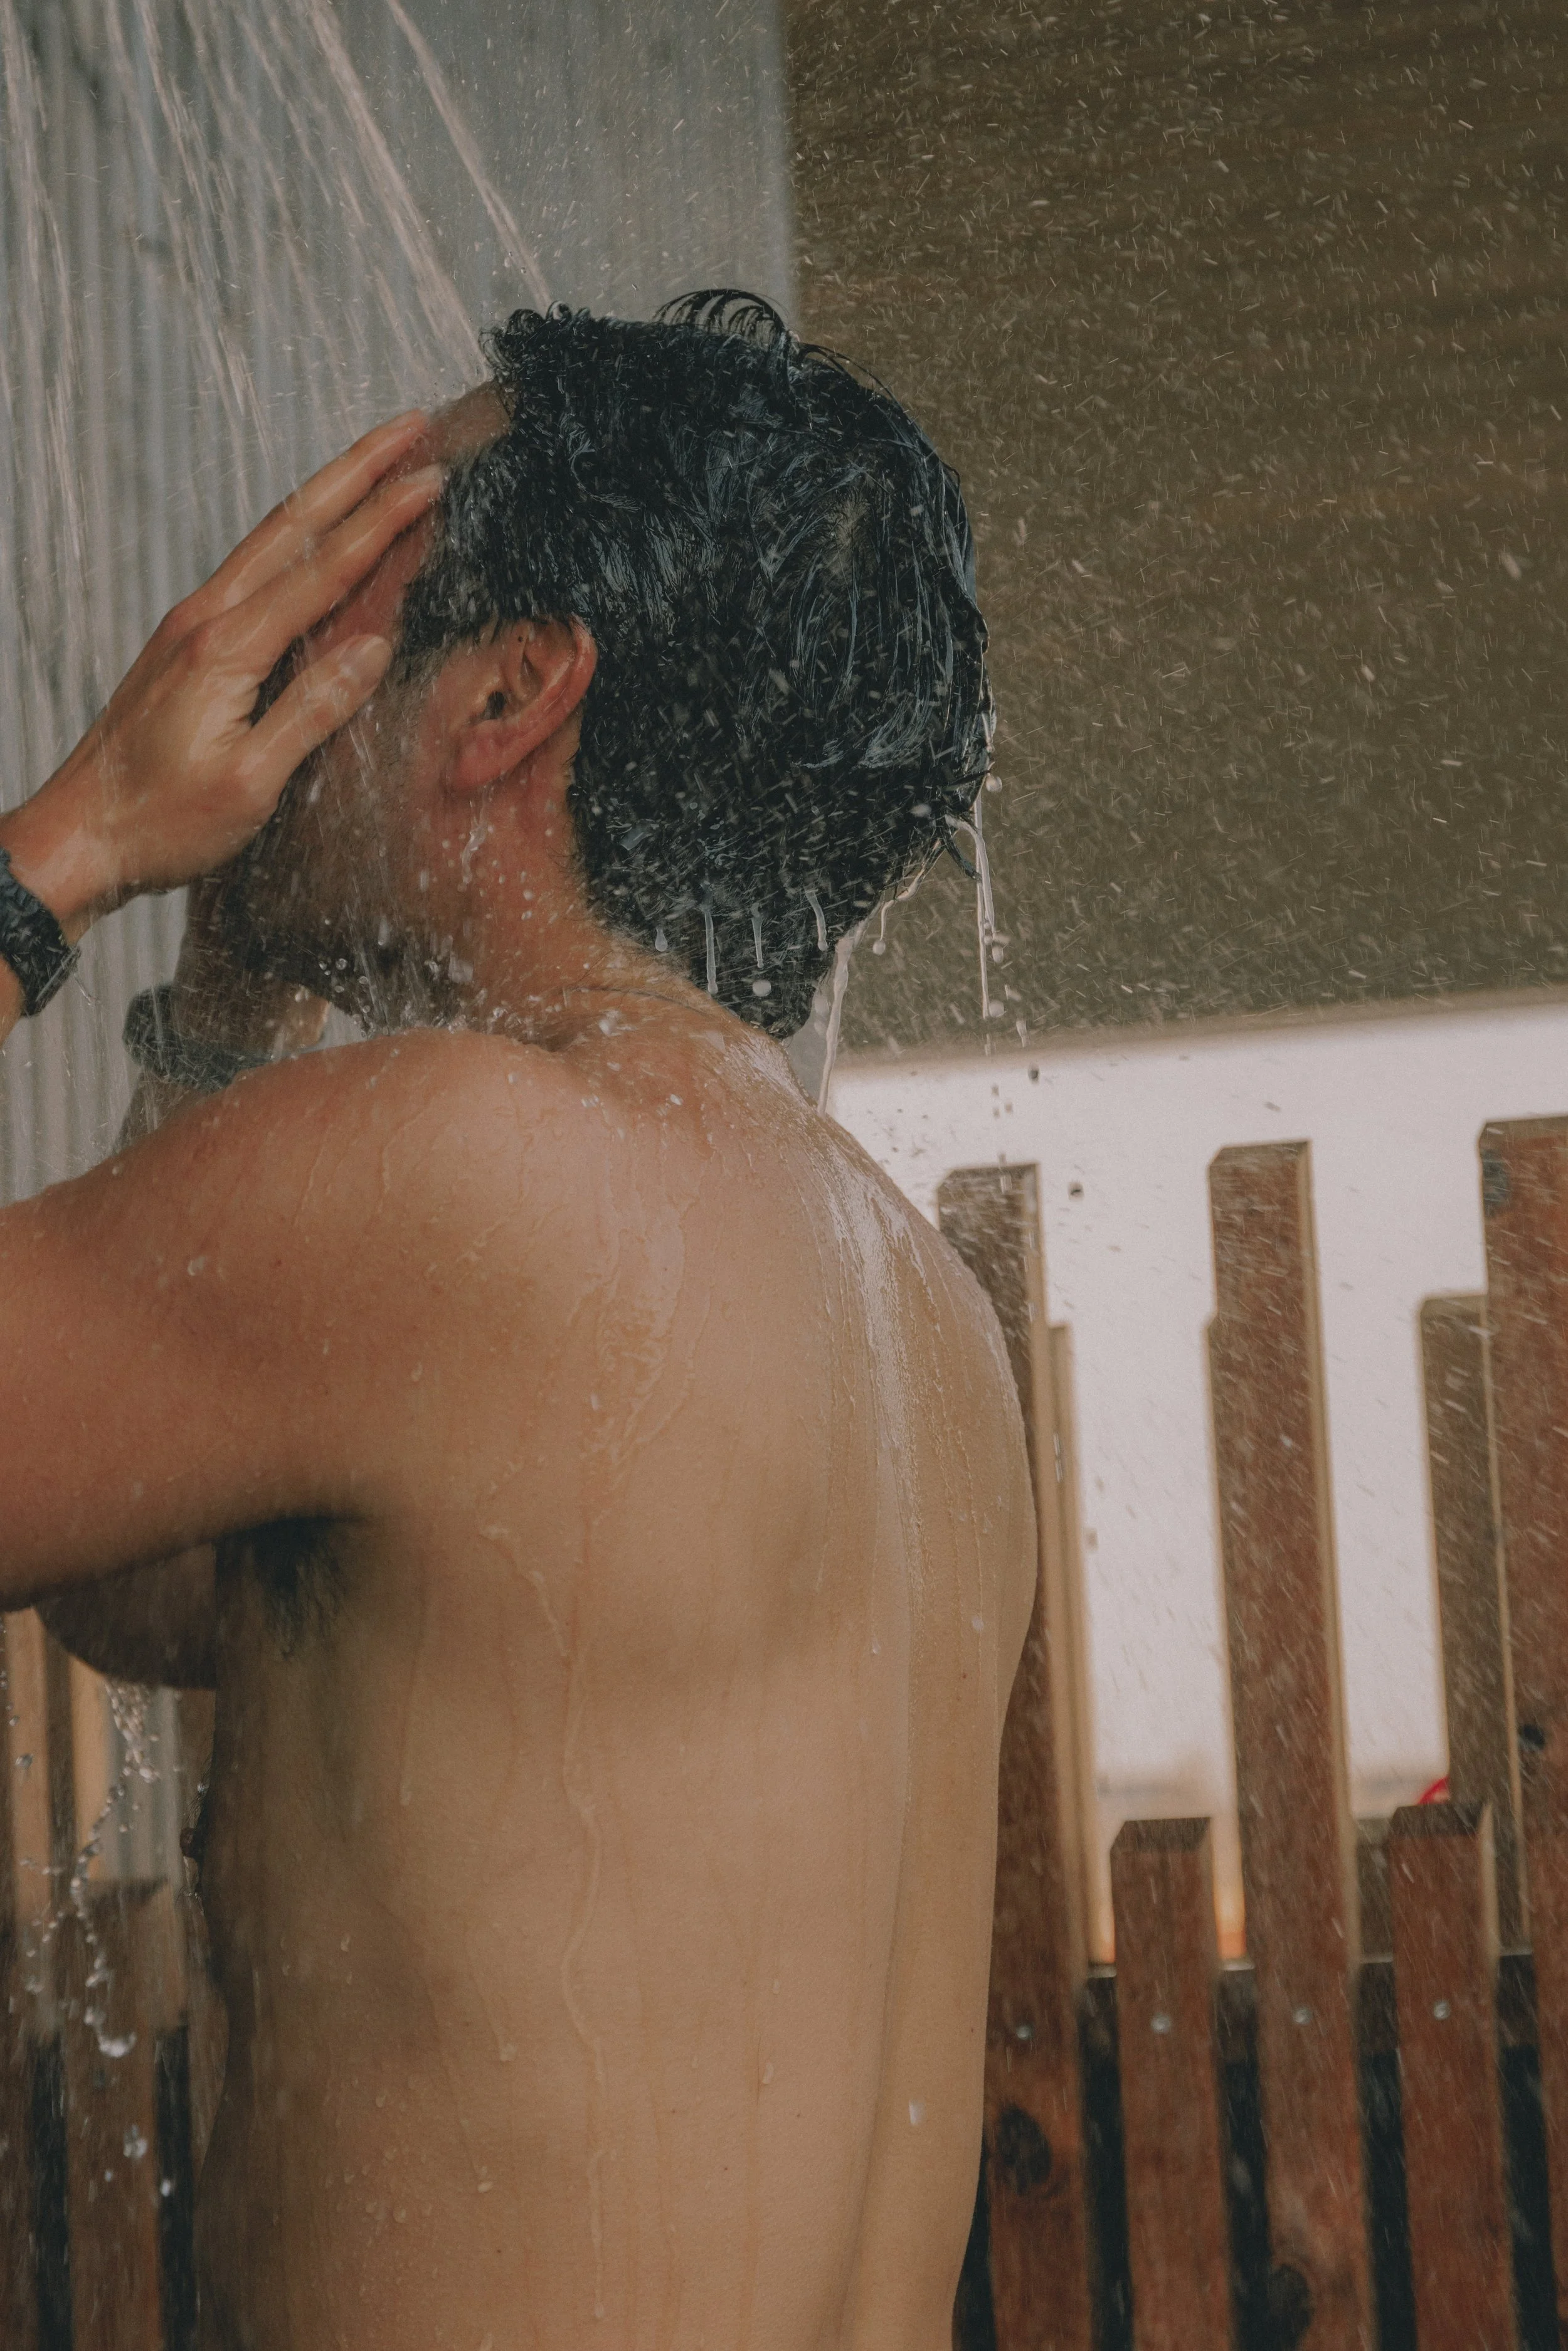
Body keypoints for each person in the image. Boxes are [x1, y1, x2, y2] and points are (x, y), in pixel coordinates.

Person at [0, 294, 1034, 2350]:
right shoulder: (902, 1306)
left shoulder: (474, 1176)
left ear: (504, 695)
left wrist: (74, 845)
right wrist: (225, 991)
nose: (280, 661)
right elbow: (166, 1582)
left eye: (345, 606)